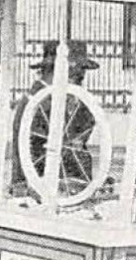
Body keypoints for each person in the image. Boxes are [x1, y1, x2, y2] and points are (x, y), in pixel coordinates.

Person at [9, 39, 100, 196]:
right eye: (77, 73)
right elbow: (42, 150)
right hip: (40, 185)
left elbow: (83, 130)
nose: (81, 77)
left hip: (66, 184)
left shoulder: (68, 99)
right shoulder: (38, 101)